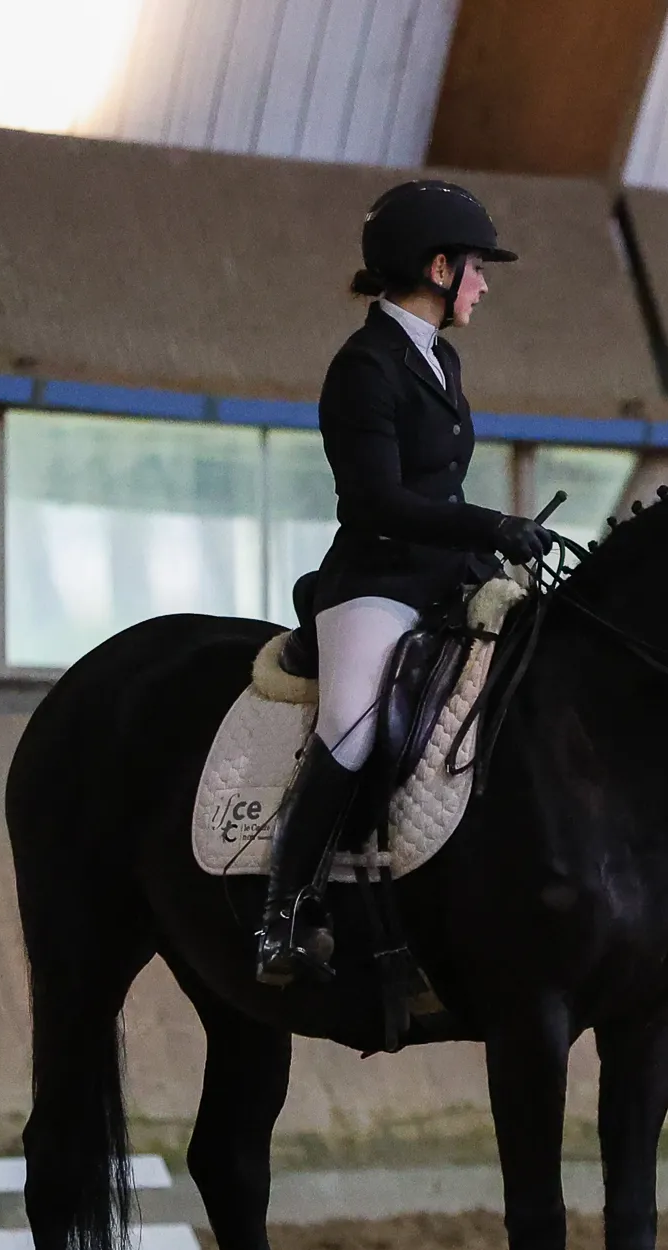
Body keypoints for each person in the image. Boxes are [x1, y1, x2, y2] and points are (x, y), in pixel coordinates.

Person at [255, 179, 554, 986]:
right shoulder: (364, 367)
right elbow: (378, 499)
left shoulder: (439, 357)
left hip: (445, 576)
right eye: (478, 268)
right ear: (438, 267)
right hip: (375, 581)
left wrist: (494, 551)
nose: (485, 284)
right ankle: (283, 913)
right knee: (353, 727)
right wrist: (489, 526)